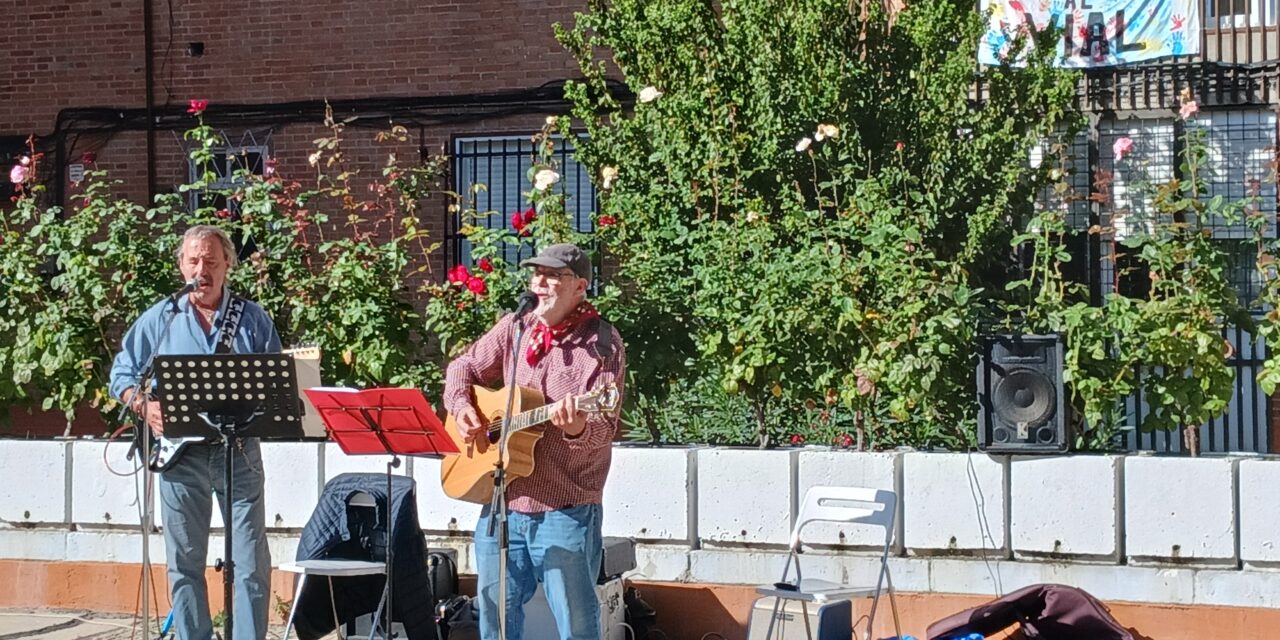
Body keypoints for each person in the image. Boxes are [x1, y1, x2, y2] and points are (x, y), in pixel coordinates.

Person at [443, 243, 626, 640]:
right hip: (503, 501)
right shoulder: (515, 327)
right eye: (536, 273)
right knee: (495, 620)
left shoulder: (602, 344)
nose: (540, 283)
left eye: (553, 276)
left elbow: (603, 428)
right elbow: (463, 366)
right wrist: (460, 407)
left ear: (580, 286)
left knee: (576, 626)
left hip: (566, 506)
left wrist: (576, 426)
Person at [110, 224, 281, 640]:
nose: (201, 269)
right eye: (193, 261)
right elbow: (122, 373)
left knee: (250, 561)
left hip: (238, 452)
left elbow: (279, 379)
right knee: (184, 561)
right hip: (180, 455)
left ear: (227, 266)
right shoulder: (161, 317)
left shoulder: (253, 319)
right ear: (181, 265)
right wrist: (142, 404)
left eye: (210, 261)